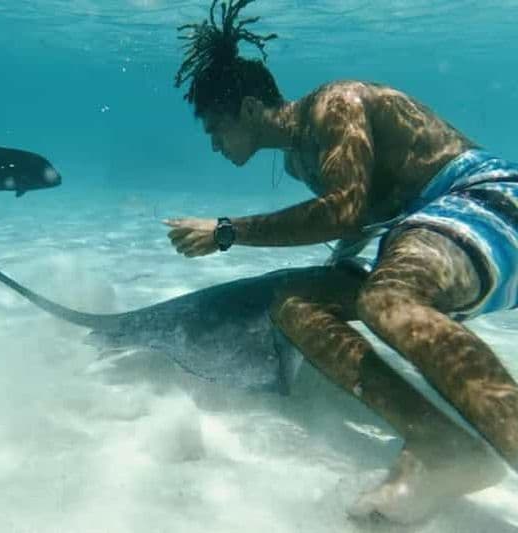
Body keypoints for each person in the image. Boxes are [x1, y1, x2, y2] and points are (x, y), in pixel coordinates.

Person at [164, 0, 518, 524]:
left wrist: (226, 232)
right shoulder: (298, 156)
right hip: (438, 235)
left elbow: (343, 209)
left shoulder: (335, 104)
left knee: (388, 299)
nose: (215, 145)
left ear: (245, 107)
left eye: (215, 128)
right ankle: (439, 445)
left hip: (491, 202)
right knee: (296, 305)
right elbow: (355, 229)